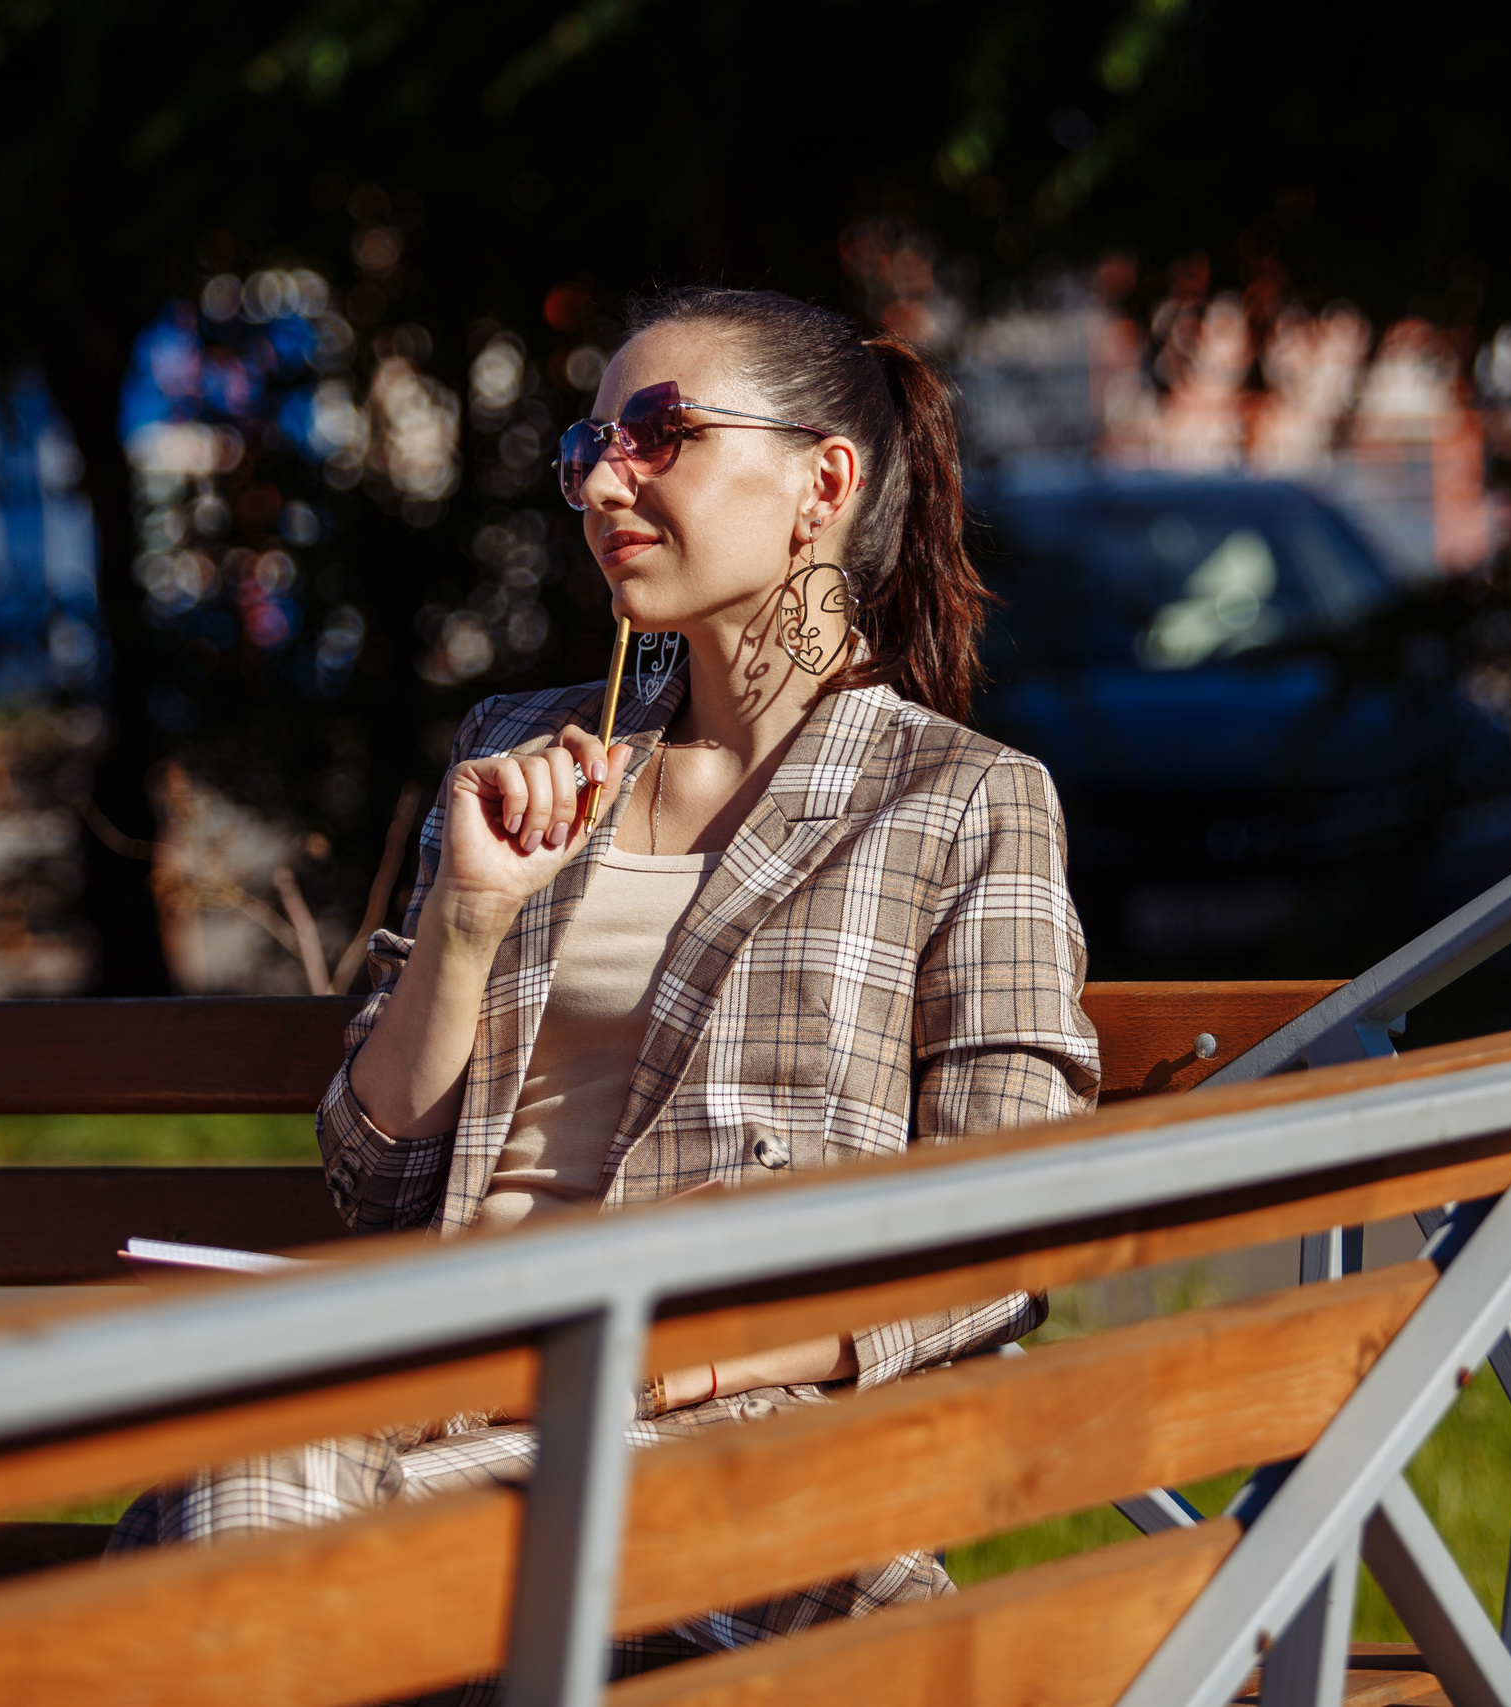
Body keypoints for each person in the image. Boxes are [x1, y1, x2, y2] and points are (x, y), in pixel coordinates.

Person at [109, 286, 1101, 1692]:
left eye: (661, 435)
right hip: (443, 1404)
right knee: (267, 1475)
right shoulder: (526, 753)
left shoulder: (958, 802)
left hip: (736, 1467)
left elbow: (1017, 1212)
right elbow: (373, 1182)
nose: (604, 482)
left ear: (824, 482)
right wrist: (469, 915)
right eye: (590, 446)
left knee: (243, 1505)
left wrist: (691, 1362)